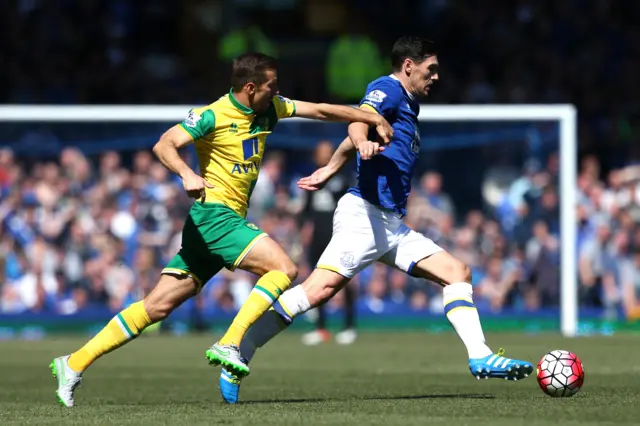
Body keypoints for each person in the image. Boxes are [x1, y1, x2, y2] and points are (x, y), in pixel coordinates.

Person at [50, 52, 393, 408]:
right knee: (283, 268)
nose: (278, 90)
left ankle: (73, 363)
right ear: (250, 87)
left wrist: (369, 116)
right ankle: (230, 341)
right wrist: (186, 173)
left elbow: (322, 110)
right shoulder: (212, 114)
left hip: (213, 226)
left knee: (156, 306)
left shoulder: (270, 108)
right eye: (272, 85)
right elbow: (164, 144)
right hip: (215, 217)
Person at [218, 37, 533, 404]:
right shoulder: (388, 89)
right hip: (364, 216)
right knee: (316, 291)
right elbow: (358, 120)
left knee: (457, 272)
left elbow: (357, 133)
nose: (436, 76)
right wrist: (363, 139)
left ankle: (480, 356)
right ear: (409, 66)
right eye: (430, 69)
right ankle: (239, 352)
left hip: (390, 224)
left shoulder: (408, 107)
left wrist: (331, 167)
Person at [299, 141, 356, 346]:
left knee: (345, 280)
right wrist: (304, 229)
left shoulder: (343, 179)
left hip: (338, 234)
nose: (323, 156)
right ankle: (320, 327)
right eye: (320, 153)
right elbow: (305, 210)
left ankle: (349, 326)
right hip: (318, 236)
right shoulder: (312, 178)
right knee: (316, 279)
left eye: (327, 153)